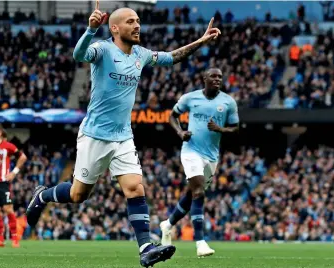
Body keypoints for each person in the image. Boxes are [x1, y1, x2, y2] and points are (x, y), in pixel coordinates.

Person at [26, 1, 220, 266]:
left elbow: (172, 57)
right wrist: (90, 30)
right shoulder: (102, 49)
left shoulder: (140, 54)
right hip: (95, 135)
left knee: (134, 187)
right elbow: (79, 55)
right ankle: (43, 195)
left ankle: (145, 249)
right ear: (114, 28)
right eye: (130, 21)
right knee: (78, 195)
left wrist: (201, 40)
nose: (137, 25)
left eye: (138, 20)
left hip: (123, 137)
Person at [160, 68, 239, 257]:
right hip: (191, 151)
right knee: (198, 192)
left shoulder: (228, 102)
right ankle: (201, 243)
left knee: (191, 195)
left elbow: (235, 128)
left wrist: (221, 129)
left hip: (211, 156)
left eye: (220, 76)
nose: (217, 79)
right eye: (213, 76)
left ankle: (168, 224)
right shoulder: (190, 98)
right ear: (204, 78)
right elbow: (172, 116)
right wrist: (180, 132)